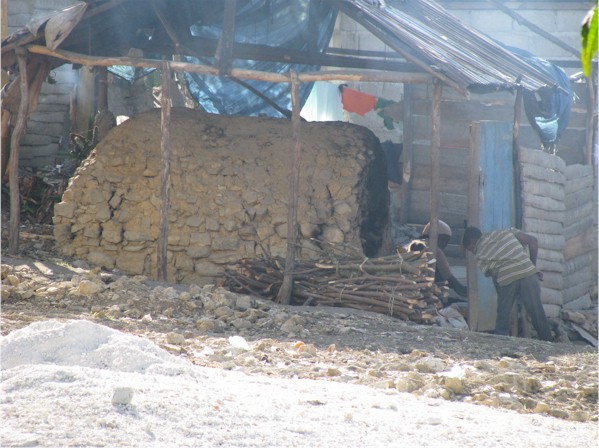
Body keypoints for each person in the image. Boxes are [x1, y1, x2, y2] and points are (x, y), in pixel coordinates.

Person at [461, 226, 552, 341]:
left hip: (507, 277)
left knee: (503, 314)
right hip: (528, 273)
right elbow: (533, 241)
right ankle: (548, 341)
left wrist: (503, 298)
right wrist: (532, 267)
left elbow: (494, 275)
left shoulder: (480, 252)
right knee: (537, 312)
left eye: (470, 249)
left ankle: (500, 342)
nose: (473, 252)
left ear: (473, 242)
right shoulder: (507, 232)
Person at [414, 220, 467, 297]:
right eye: (443, 240)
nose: (445, 244)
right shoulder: (434, 249)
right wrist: (463, 290)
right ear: (435, 236)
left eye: (447, 241)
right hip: (426, 290)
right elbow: (448, 277)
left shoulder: (416, 244)